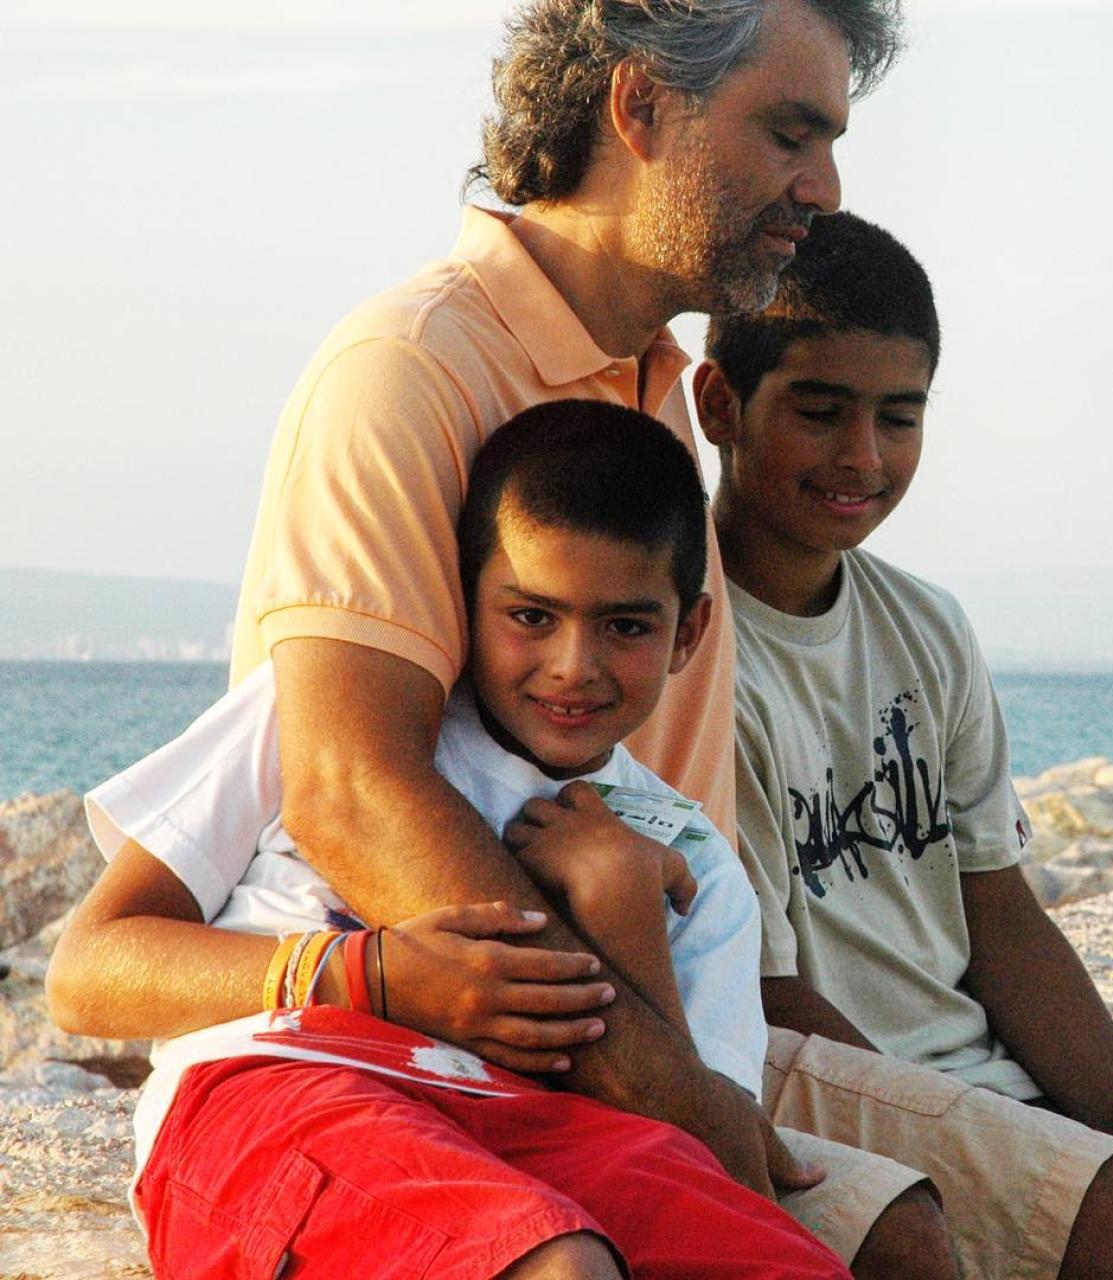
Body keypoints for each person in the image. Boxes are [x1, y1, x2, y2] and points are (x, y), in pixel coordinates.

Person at [218, 0, 901, 1210]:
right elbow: (352, 795)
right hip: (488, 1054)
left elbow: (672, 834)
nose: (824, 189)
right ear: (640, 107)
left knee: (1096, 1196)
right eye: (789, 134)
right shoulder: (407, 369)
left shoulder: (657, 394)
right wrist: (684, 1100)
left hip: (684, 1008)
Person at [49, 402, 852, 1280]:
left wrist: (621, 904)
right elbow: (85, 974)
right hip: (289, 1087)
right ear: (463, 601)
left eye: (625, 626)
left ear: (688, 633)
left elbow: (718, 1155)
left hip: (546, 1130)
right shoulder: (325, 717)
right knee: (557, 1263)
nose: (573, 666)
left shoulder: (689, 862)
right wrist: (368, 975)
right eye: (532, 616)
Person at [693, 209, 1113, 1280]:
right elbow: (769, 1000)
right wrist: (1007, 1145)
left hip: (1001, 1072)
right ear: (719, 405)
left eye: (899, 417)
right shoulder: (690, 660)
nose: (862, 456)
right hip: (874, 1107)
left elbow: (1000, 916)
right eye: (819, 411)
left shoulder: (927, 626)